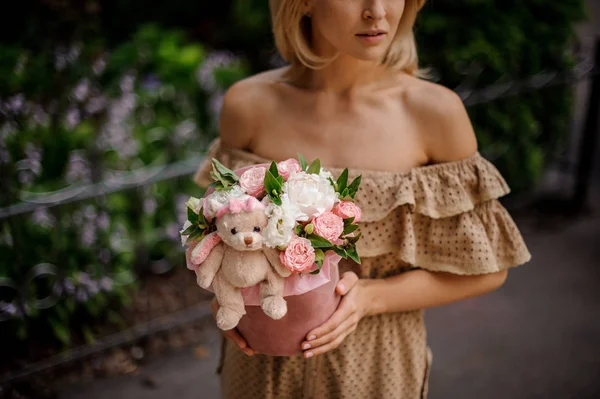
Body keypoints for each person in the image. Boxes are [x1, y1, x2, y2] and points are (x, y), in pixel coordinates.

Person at [193, 0, 531, 397]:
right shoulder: (248, 105)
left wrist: (372, 298)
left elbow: (489, 269)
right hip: (257, 372)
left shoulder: (434, 113)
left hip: (374, 373)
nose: (377, 11)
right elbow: (218, 236)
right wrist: (227, 301)